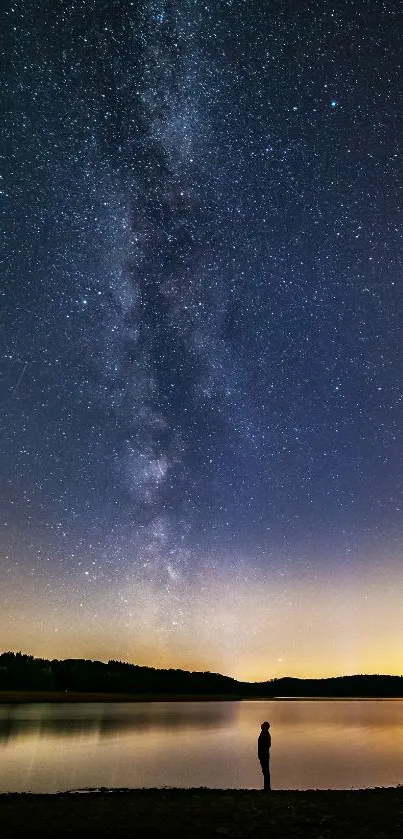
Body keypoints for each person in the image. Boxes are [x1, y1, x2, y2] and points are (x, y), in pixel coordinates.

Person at [258, 721, 271, 791]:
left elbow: (265, 745)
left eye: (262, 725)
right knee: (265, 770)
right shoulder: (265, 733)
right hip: (264, 754)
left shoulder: (264, 733)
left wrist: (262, 753)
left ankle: (267, 787)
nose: (261, 725)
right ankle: (266, 786)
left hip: (264, 754)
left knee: (265, 770)